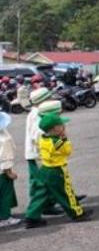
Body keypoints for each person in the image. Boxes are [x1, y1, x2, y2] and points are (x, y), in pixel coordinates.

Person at [24, 114, 92, 228]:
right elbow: (68, 151)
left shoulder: (43, 138)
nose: (64, 126)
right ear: (55, 128)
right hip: (57, 169)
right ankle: (77, 213)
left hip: (45, 168)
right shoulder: (57, 142)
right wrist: (64, 138)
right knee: (66, 192)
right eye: (61, 125)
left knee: (41, 194)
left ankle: (31, 217)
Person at [25, 88, 60, 216]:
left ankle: (49, 203)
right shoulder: (36, 115)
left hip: (38, 153)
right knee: (40, 183)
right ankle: (38, 209)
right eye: (48, 98)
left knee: (43, 182)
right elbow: (38, 135)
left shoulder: (37, 112)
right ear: (42, 101)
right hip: (37, 155)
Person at [0, 112, 21, 228]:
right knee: (5, 195)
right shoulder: (4, 138)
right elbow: (5, 157)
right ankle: (5, 218)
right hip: (2, 172)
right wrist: (9, 172)